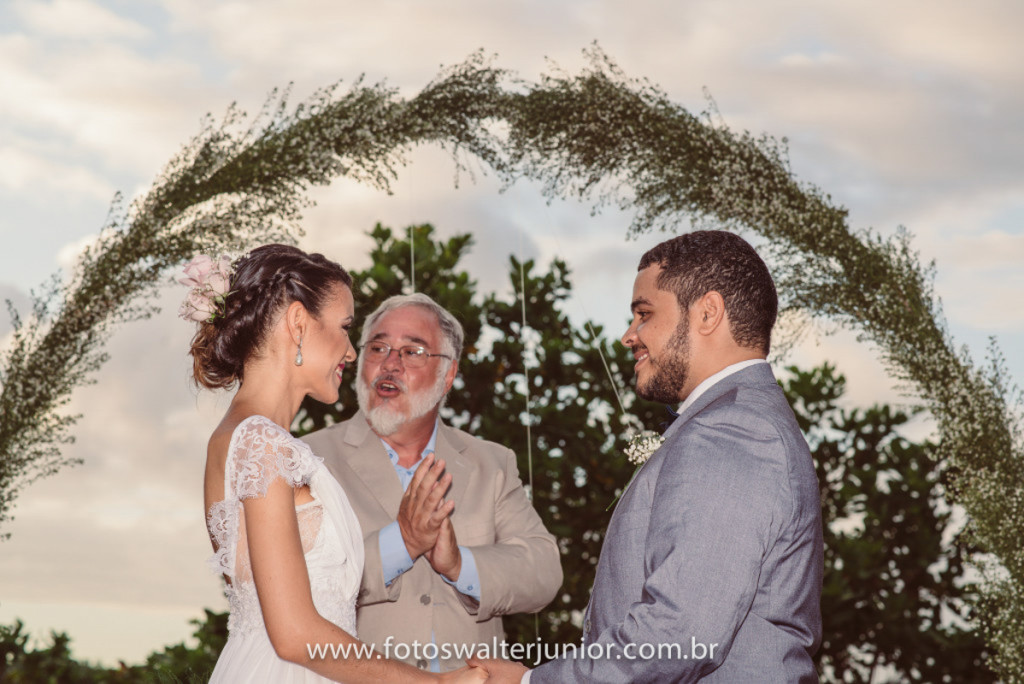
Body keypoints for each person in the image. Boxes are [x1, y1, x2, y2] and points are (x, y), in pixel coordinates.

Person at [472, 230, 823, 682]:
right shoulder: (737, 420)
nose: (628, 336)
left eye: (644, 314)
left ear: (708, 313)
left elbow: (680, 635)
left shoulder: (735, 430)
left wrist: (530, 682)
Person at [184, 244, 484, 683]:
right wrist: (436, 683)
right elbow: (295, 634)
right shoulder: (262, 443)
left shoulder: (237, 438)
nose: (350, 351)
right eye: (345, 327)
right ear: (298, 324)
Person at [303, 292, 563, 672]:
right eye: (378, 347)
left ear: (448, 376)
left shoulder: (492, 462)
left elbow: (544, 572)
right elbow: (297, 585)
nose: (390, 364)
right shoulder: (311, 460)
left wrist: (460, 565)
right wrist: (402, 544)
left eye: (412, 352)